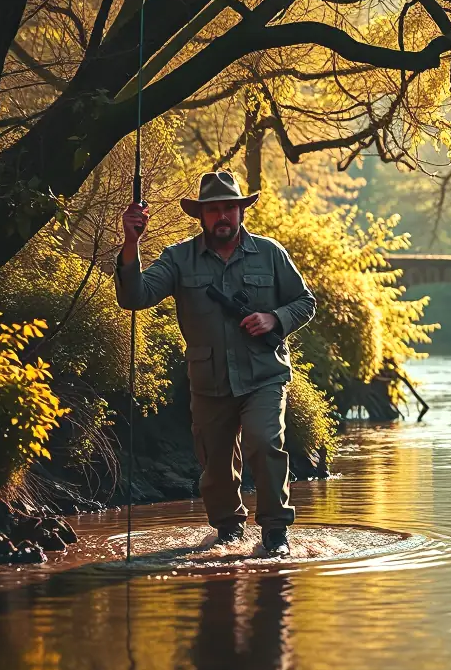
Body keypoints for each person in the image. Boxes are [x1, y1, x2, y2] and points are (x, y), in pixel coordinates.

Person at [116, 170, 316, 557]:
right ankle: (227, 533)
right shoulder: (178, 258)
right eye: (214, 211)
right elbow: (135, 297)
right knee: (217, 466)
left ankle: (275, 534)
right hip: (208, 381)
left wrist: (274, 318)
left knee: (264, 441)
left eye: (229, 208)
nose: (222, 216)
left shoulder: (271, 253)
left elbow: (305, 302)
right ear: (201, 216)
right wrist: (130, 242)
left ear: (241, 211)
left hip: (264, 375)